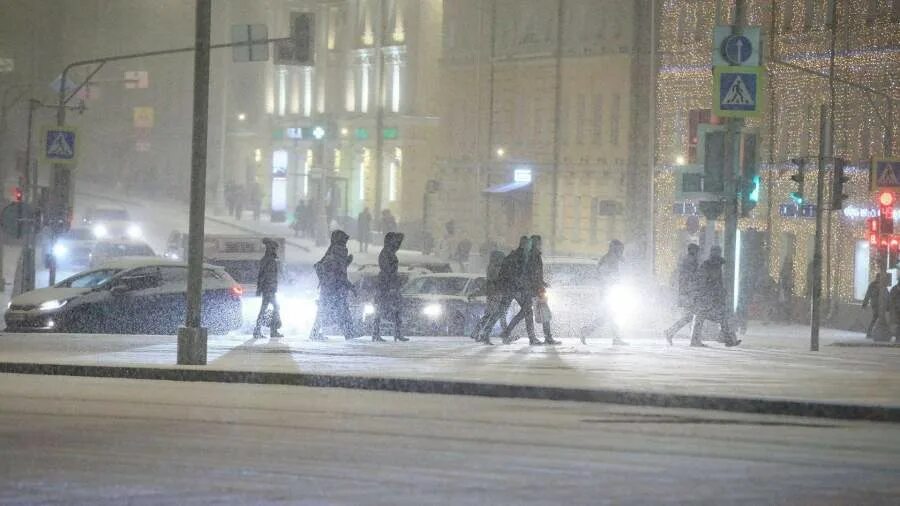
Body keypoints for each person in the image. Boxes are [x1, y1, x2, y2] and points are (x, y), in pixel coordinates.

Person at [478, 237, 535, 344]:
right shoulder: (519, 256)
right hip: (513, 288)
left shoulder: (515, 255)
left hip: (510, 288)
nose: (529, 247)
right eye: (528, 245)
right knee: (525, 310)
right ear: (524, 245)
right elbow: (517, 274)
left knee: (502, 312)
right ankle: (506, 333)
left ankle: (492, 333)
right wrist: (521, 285)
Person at [309, 230, 357, 341]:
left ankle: (315, 332)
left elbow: (331, 269)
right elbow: (340, 274)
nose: (346, 243)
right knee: (341, 311)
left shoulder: (332, 252)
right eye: (344, 240)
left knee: (325, 311)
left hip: (329, 289)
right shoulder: (339, 252)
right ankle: (349, 333)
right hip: (335, 289)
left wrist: (346, 263)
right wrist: (350, 286)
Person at [690, 246, 741, 347]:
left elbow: (716, 281)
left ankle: (728, 339)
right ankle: (727, 339)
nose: (716, 254)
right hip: (708, 296)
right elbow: (709, 280)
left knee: (717, 317)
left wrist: (720, 291)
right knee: (706, 317)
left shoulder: (716, 264)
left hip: (710, 296)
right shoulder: (710, 265)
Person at [579, 239, 627, 345]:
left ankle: (588, 331)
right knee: (610, 315)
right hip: (607, 292)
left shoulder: (614, 259)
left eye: (622, 249)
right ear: (614, 248)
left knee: (609, 316)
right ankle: (586, 331)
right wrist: (613, 281)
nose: (622, 251)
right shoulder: (609, 259)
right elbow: (603, 275)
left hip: (609, 292)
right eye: (620, 249)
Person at [498, 236, 544, 346]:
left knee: (523, 311)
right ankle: (511, 333)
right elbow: (528, 273)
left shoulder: (518, 254)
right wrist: (536, 284)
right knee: (526, 312)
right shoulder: (526, 255)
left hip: (517, 287)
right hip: (521, 288)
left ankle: (507, 333)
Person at [372, 232, 408, 342]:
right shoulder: (386, 253)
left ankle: (394, 333)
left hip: (388, 284)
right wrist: (391, 285)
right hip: (386, 285)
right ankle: (378, 333)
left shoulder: (389, 252)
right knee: (384, 309)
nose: (398, 244)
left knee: (393, 308)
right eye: (396, 241)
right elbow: (387, 270)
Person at [525, 235, 559, 345]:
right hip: (536, 289)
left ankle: (538, 337)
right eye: (539, 243)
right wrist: (539, 286)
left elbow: (535, 274)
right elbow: (534, 274)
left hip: (535, 288)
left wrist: (542, 283)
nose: (540, 245)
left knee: (536, 313)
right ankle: (545, 337)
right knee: (543, 313)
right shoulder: (533, 256)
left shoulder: (533, 255)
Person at [664, 243, 700, 345]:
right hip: (689, 293)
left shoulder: (687, 261)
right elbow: (691, 278)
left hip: (687, 292)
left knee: (691, 316)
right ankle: (693, 338)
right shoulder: (690, 261)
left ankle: (672, 332)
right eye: (696, 251)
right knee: (693, 315)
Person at [471, 250, 509, 344]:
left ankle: (479, 333)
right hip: (496, 294)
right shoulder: (496, 267)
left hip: (495, 293)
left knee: (494, 315)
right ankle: (486, 334)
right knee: (495, 315)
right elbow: (495, 281)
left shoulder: (493, 267)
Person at [253, 238, 283, 339]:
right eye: (274, 248)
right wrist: (259, 289)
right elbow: (262, 276)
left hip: (269, 288)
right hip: (268, 289)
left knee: (264, 309)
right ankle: (273, 330)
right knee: (275, 307)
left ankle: (258, 330)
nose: (275, 250)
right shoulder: (269, 260)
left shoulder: (269, 260)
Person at [862, 272, 889, 338]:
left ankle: (873, 332)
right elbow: (868, 294)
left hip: (881, 304)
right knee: (877, 317)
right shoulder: (872, 285)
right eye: (879, 278)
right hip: (875, 304)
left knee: (878, 318)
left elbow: (887, 294)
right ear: (877, 278)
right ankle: (872, 332)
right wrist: (864, 304)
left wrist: (888, 304)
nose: (879, 279)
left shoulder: (883, 285)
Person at [779, 255, 795, 321]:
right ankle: (785, 317)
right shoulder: (785, 270)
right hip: (785, 287)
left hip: (788, 288)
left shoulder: (791, 270)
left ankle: (787, 317)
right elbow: (782, 277)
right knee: (785, 303)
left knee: (787, 303)